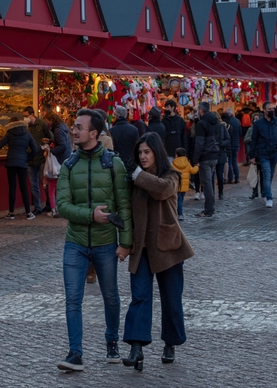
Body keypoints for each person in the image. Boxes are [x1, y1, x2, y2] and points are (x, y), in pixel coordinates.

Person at [56, 108, 132, 372]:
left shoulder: (114, 164)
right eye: (73, 126)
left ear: (94, 133)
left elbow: (124, 207)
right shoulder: (69, 165)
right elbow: (62, 206)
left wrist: (125, 243)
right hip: (75, 243)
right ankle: (75, 353)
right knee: (72, 299)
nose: (73, 131)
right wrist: (91, 215)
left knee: (110, 297)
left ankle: (112, 342)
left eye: (78, 127)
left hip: (106, 244)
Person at [121, 133, 194, 371]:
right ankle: (136, 347)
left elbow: (162, 190)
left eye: (147, 152)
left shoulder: (171, 174)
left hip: (168, 246)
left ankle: (171, 343)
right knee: (140, 297)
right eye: (139, 153)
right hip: (141, 247)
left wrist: (137, 175)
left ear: (156, 153)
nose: (142, 157)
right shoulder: (135, 180)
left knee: (171, 298)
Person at [0, 115, 40, 220]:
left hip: (11, 163)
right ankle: (28, 213)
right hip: (22, 163)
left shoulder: (10, 133)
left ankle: (11, 213)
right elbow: (35, 149)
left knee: (12, 187)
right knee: (24, 187)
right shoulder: (27, 133)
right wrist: (26, 158)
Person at [248, 101, 277, 207]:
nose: (271, 111)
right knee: (266, 174)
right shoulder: (258, 123)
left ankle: (264, 193)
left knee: (271, 175)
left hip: (275, 152)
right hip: (263, 152)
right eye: (269, 109)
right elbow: (254, 140)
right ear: (264, 110)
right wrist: (252, 156)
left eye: (272, 109)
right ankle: (269, 198)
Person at [192, 102, 224, 218]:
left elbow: (199, 142)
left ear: (201, 110)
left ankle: (209, 210)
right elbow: (220, 139)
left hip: (205, 156)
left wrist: (195, 158)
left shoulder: (202, 123)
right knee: (209, 182)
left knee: (207, 184)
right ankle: (210, 208)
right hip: (214, 155)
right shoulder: (217, 122)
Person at [24, 106, 53, 215]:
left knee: (45, 183)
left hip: (41, 158)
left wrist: (46, 145)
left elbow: (51, 137)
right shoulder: (26, 127)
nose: (25, 118)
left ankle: (49, 204)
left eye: (26, 116)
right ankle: (37, 207)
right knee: (34, 185)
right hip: (30, 160)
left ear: (32, 114)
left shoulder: (42, 124)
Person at [45, 111, 70, 216]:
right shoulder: (63, 127)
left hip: (59, 161)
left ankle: (55, 209)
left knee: (53, 186)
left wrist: (51, 151)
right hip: (65, 159)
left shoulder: (57, 130)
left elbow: (62, 145)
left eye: (47, 121)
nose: (47, 123)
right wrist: (51, 140)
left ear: (51, 120)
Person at [170, 147, 198, 221]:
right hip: (185, 185)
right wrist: (197, 166)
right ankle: (179, 212)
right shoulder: (187, 163)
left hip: (177, 185)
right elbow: (193, 171)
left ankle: (179, 214)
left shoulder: (173, 164)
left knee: (178, 199)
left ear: (176, 155)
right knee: (181, 199)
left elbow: (170, 172)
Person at [223, 108, 241, 184]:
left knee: (229, 161)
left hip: (230, 144)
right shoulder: (237, 121)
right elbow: (240, 132)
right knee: (234, 161)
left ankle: (230, 178)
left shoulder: (227, 122)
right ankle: (237, 177)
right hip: (236, 143)